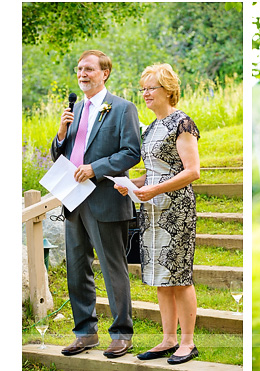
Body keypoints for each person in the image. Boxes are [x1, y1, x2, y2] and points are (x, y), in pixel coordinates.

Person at [51, 50, 141, 358]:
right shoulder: (74, 111)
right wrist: (61, 135)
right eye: (79, 69)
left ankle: (121, 333)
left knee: (112, 267)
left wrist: (96, 169)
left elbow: (131, 152)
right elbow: (64, 154)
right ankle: (85, 333)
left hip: (104, 199)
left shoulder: (122, 108)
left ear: (105, 73)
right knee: (77, 270)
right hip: (72, 200)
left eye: (88, 69)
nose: (82, 73)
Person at [114, 63, 201, 364]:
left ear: (168, 90)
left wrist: (154, 189)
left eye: (151, 88)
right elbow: (153, 173)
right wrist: (132, 184)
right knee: (160, 277)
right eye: (144, 89)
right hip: (151, 211)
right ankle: (168, 339)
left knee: (179, 276)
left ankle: (188, 343)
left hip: (176, 211)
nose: (146, 94)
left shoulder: (183, 123)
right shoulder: (150, 127)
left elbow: (192, 171)